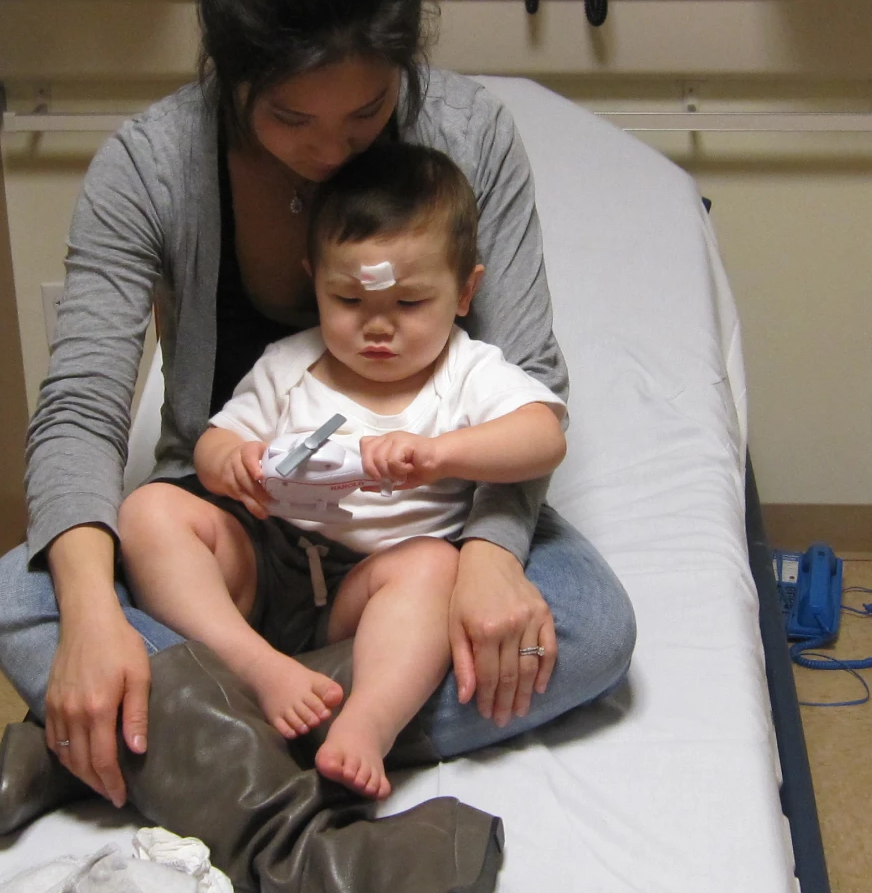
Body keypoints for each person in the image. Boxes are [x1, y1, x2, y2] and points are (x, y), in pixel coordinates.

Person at [0, 0, 637, 893]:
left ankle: (138, 739)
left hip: (406, 542)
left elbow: (529, 383)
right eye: (290, 123)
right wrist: (83, 615)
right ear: (229, 78)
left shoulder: (469, 137)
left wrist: (486, 559)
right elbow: (77, 407)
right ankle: (351, 855)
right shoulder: (147, 166)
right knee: (20, 599)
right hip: (239, 540)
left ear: (403, 73)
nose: (333, 151)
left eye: (366, 116)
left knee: (588, 631)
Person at [121, 141, 569, 800]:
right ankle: (257, 669)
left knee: (434, 571)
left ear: (466, 290)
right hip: (270, 563)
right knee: (147, 510)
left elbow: (543, 437)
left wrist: (440, 456)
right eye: (348, 301)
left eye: (411, 304)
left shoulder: (468, 372)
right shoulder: (289, 363)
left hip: (369, 593)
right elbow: (215, 442)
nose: (378, 328)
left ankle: (367, 723)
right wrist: (230, 464)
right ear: (314, 282)